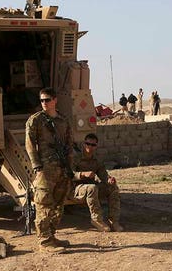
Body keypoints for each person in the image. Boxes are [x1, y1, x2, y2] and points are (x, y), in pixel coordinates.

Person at [25, 87, 74, 254]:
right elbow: (30, 145)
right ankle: (44, 241)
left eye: (47, 100)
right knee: (43, 203)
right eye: (41, 100)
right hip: (45, 170)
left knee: (58, 204)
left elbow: (69, 145)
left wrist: (69, 167)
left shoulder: (63, 120)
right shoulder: (36, 120)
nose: (44, 103)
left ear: (55, 100)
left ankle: (51, 236)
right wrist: (37, 166)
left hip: (61, 168)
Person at [71, 133, 123, 232]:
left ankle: (114, 221)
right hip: (75, 189)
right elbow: (69, 175)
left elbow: (103, 174)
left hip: (90, 188)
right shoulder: (75, 158)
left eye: (93, 145)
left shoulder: (97, 159)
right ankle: (97, 220)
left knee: (113, 188)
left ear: (96, 146)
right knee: (92, 188)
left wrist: (109, 179)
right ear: (84, 144)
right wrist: (82, 174)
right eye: (88, 144)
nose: (90, 147)